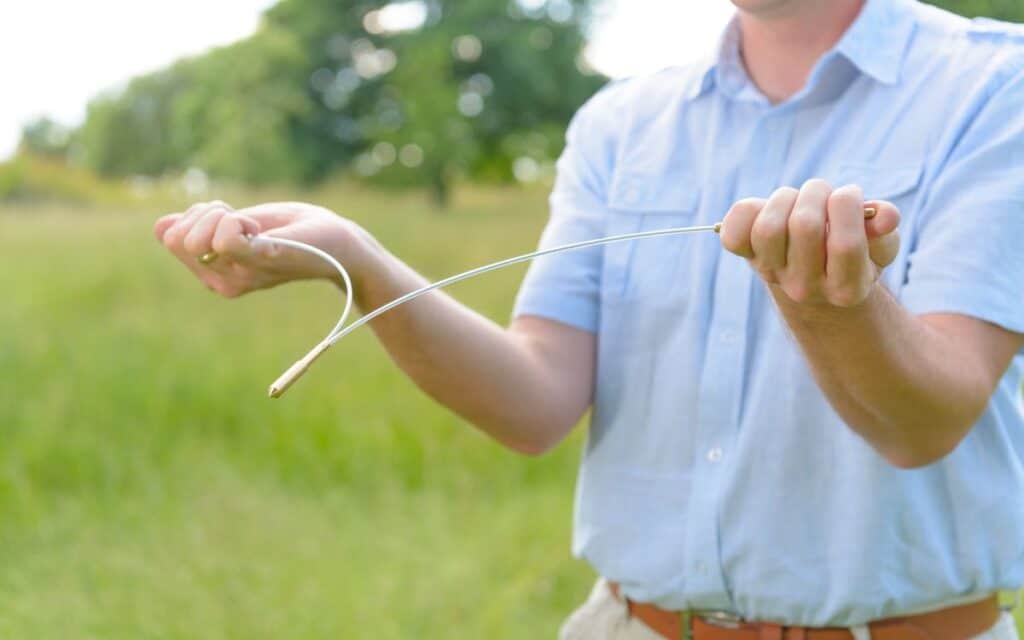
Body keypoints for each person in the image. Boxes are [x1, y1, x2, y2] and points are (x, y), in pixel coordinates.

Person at [155, 0, 1024, 637]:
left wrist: (833, 308)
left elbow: (927, 419)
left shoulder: (998, 84)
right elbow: (535, 402)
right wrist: (364, 265)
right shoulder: (621, 122)